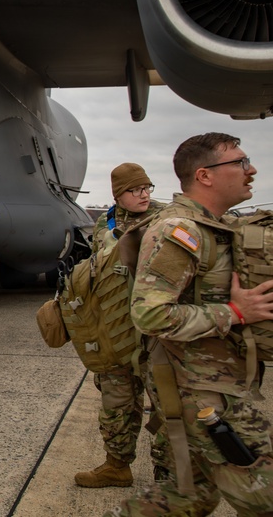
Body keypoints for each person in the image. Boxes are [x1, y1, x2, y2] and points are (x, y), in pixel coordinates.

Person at [108, 133, 273, 516]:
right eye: (240, 162)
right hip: (203, 393)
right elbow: (151, 314)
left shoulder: (213, 226)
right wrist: (235, 313)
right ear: (205, 175)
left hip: (212, 384)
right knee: (264, 495)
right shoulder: (179, 231)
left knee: (187, 496)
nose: (251, 170)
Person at [76, 163, 166, 488]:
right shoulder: (106, 221)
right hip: (116, 329)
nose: (143, 195)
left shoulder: (166, 219)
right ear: (118, 195)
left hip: (156, 332)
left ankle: (168, 477)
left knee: (167, 407)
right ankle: (117, 465)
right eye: (135, 190)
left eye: (146, 188)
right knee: (116, 402)